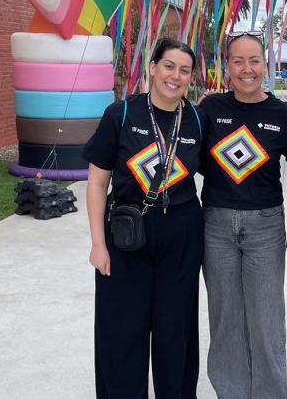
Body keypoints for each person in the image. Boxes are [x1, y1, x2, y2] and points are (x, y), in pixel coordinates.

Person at [83, 38, 205, 399]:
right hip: (126, 232)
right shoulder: (120, 115)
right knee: (122, 332)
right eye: (169, 66)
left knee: (175, 332)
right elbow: (97, 181)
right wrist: (97, 244)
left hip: (181, 234)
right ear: (152, 67)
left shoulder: (197, 119)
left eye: (184, 70)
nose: (175, 76)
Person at [199, 32, 287, 399]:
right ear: (227, 67)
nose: (247, 69)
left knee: (266, 320)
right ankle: (232, 392)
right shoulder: (210, 110)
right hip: (216, 224)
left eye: (254, 60)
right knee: (225, 319)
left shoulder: (284, 115)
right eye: (238, 61)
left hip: (266, 226)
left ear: (266, 64)